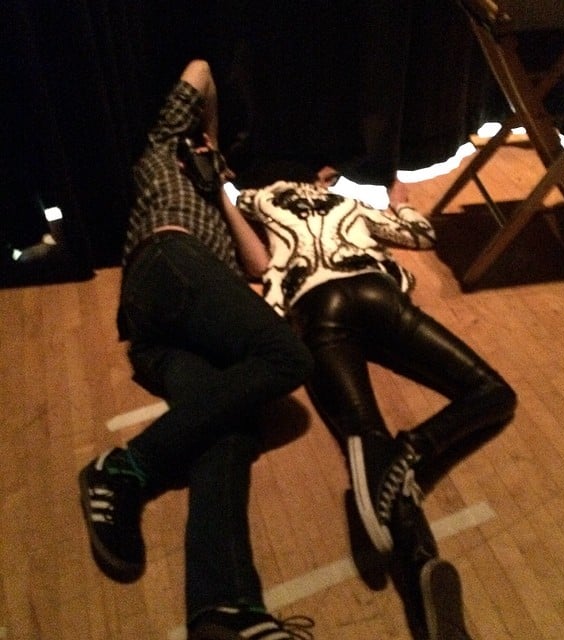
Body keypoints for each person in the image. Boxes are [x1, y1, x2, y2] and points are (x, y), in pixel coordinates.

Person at [77, 60, 316, 640]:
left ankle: (224, 608)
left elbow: (259, 266)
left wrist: (222, 189)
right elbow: (201, 69)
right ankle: (124, 467)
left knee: (229, 432)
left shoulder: (214, 197)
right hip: (166, 264)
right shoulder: (163, 151)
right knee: (289, 357)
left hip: (158, 338)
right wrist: (202, 136)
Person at [235, 171, 517, 638]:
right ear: (322, 181)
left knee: (367, 438)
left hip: (316, 305)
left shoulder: (260, 199)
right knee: (494, 393)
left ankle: (419, 557)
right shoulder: (351, 204)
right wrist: (399, 199)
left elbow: (255, 264)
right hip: (376, 292)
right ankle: (415, 448)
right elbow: (421, 235)